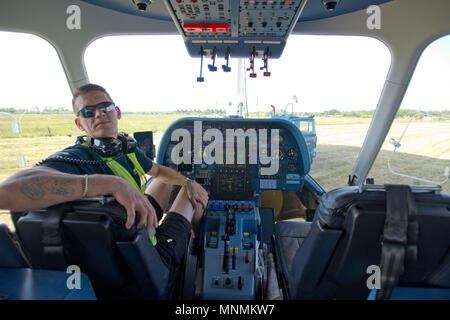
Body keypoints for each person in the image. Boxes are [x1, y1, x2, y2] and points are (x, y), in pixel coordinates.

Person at [0, 83, 208, 281]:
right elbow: (6, 193)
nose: (98, 114)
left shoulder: (125, 148)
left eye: (104, 107)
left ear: (117, 112)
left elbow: (158, 171)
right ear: (79, 124)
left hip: (134, 233)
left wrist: (188, 181)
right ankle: (197, 245)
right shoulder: (78, 157)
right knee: (189, 196)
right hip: (150, 258)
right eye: (88, 112)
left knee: (169, 182)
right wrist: (110, 183)